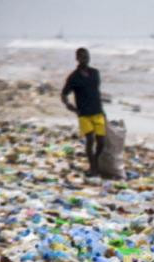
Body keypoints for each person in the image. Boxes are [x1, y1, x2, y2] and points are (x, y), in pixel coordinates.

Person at [61, 47, 105, 176]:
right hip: (84, 114)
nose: (85, 59)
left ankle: (95, 162)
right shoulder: (73, 77)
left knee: (101, 142)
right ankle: (93, 168)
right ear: (77, 59)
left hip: (98, 111)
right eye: (83, 57)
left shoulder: (95, 73)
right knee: (90, 139)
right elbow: (64, 94)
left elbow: (96, 92)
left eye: (87, 56)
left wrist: (104, 112)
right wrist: (69, 106)